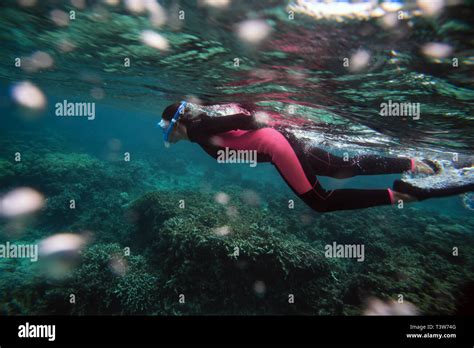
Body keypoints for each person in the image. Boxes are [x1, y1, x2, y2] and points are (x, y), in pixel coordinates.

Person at [158, 101, 442, 213]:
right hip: (282, 140)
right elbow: (243, 114)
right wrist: (275, 128)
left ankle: (403, 196)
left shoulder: (198, 128)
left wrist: (266, 127)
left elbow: (245, 119)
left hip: (278, 146)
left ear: (179, 123)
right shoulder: (204, 121)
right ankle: (414, 164)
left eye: (170, 131)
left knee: (321, 202)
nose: (170, 137)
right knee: (342, 167)